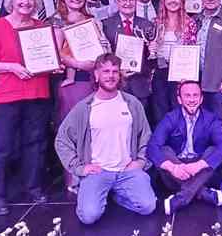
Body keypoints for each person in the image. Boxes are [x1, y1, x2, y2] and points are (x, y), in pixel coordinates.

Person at [0, 0, 55, 215]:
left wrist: (54, 64)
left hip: (37, 92)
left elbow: (47, 59)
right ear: (11, 1)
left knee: (36, 143)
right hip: (7, 95)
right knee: (3, 147)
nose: (25, 2)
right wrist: (12, 66)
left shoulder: (41, 27)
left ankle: (33, 187)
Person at [55, 54, 155, 224]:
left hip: (127, 170)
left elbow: (146, 136)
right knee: (89, 216)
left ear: (119, 75)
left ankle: (115, 195)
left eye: (115, 71)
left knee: (148, 206)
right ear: (96, 75)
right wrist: (80, 168)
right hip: (97, 172)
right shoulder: (84, 108)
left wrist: (140, 161)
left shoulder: (132, 103)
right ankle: (97, 192)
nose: (110, 76)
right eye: (106, 71)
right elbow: (62, 140)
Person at [49, 0, 112, 191]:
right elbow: (54, 54)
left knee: (91, 130)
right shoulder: (56, 21)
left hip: (92, 81)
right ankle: (72, 178)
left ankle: (90, 174)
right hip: (71, 82)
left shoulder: (92, 20)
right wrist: (76, 63)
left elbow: (104, 45)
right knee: (71, 130)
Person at [148, 81, 222, 215]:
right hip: (175, 173)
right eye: (187, 96)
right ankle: (203, 193)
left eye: (195, 95)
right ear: (179, 99)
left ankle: (181, 198)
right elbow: (152, 147)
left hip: (203, 172)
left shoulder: (211, 119)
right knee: (164, 150)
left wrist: (199, 165)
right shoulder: (170, 118)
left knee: (213, 150)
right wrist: (173, 167)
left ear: (201, 98)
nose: (192, 100)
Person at [101, 0, 156, 112]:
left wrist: (153, 51)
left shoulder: (147, 25)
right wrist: (118, 71)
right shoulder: (105, 25)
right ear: (116, 2)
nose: (128, 3)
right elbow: (103, 58)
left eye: (131, 0)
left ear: (136, 1)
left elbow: (152, 61)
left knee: (139, 125)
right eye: (123, 0)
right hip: (115, 84)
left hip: (140, 85)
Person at [150, 0, 199, 122]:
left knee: (179, 113)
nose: (173, 0)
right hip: (160, 71)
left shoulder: (190, 23)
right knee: (160, 112)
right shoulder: (155, 22)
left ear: (182, 0)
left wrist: (188, 76)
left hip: (181, 75)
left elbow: (192, 49)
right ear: (163, 1)